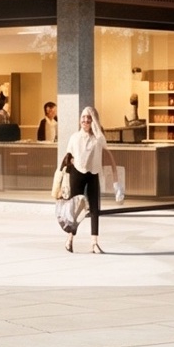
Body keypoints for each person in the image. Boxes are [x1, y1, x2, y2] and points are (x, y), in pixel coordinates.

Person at [63, 106, 105, 252]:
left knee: (94, 208)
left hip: (93, 173)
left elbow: (104, 144)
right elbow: (68, 156)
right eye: (83, 117)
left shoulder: (97, 138)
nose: (85, 120)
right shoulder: (74, 137)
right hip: (77, 173)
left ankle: (94, 242)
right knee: (75, 208)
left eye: (89, 118)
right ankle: (69, 238)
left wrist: (96, 126)